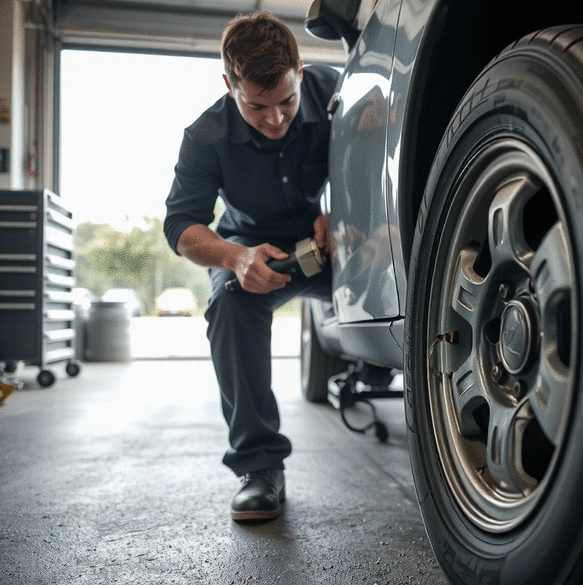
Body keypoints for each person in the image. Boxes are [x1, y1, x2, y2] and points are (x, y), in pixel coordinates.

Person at [163, 10, 339, 522]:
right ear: (230, 85)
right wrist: (234, 257)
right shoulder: (205, 136)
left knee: (404, 273)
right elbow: (181, 227)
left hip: (331, 238)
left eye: (286, 101)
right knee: (231, 303)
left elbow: (378, 160)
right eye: (256, 106)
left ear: (300, 72)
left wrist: (343, 209)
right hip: (250, 244)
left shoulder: (339, 94)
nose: (275, 118)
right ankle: (260, 468)